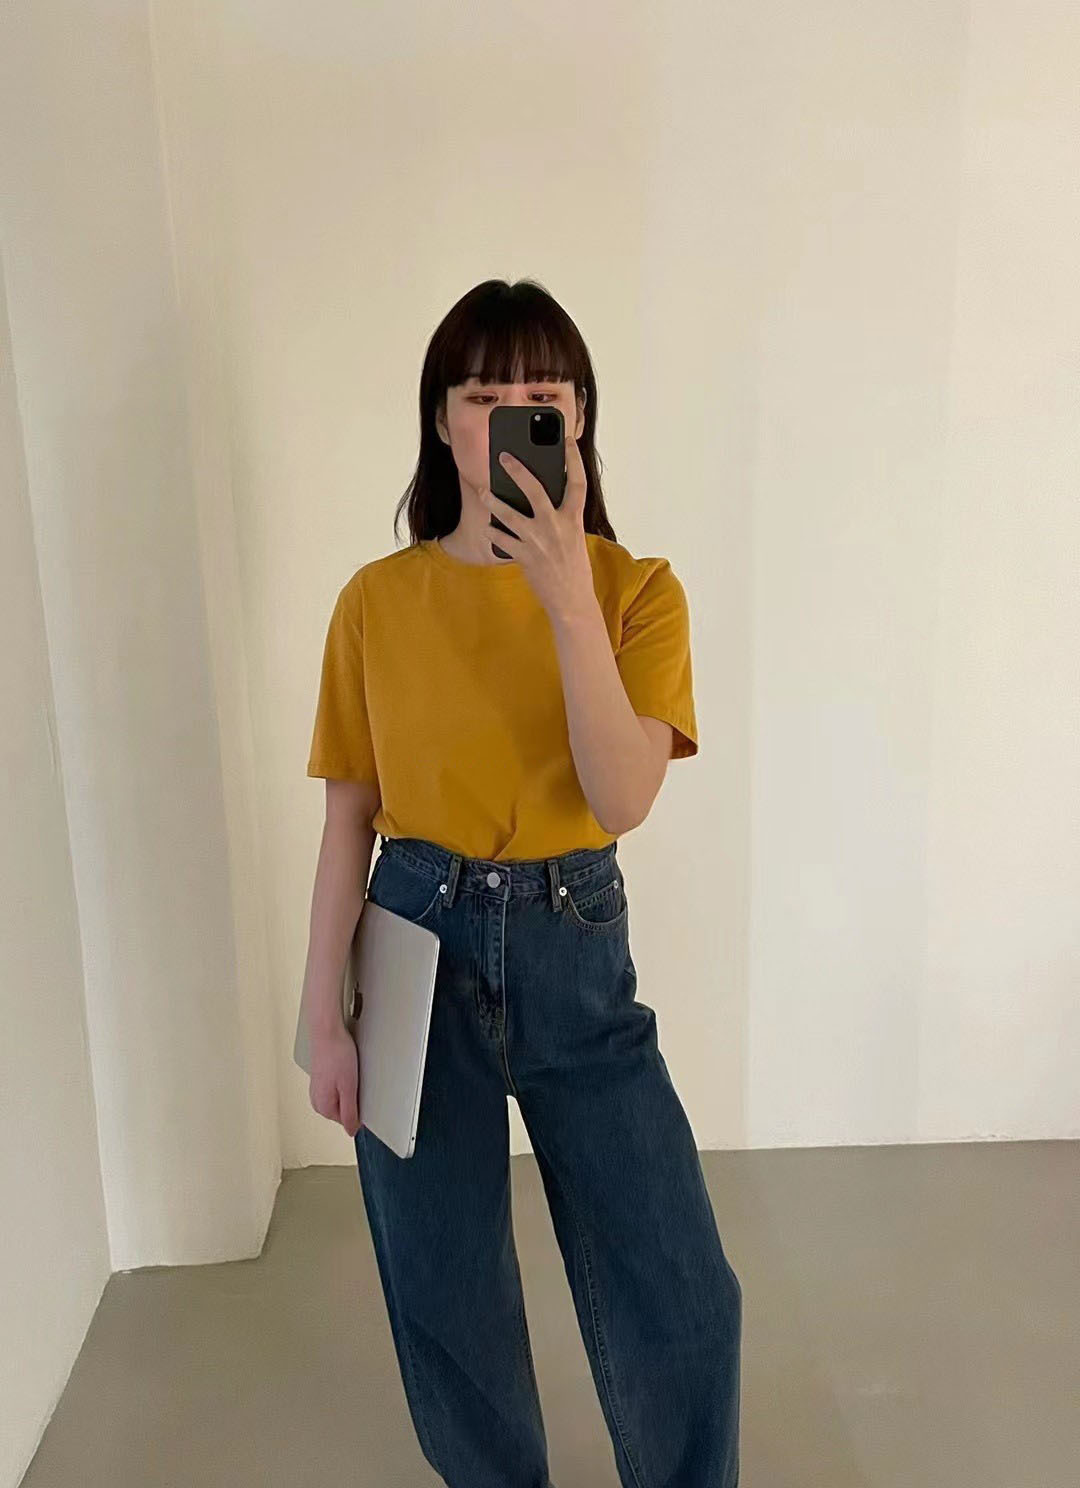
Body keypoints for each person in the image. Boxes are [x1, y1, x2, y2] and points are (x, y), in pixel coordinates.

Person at [300, 278, 742, 1487]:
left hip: (575, 945)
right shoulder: (375, 602)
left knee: (682, 1291)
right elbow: (347, 817)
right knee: (445, 1292)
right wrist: (321, 1016)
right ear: (442, 423)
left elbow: (623, 797)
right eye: (481, 395)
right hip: (413, 937)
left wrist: (565, 599)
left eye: (539, 394)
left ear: (579, 418)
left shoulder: (637, 591)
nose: (509, 415)